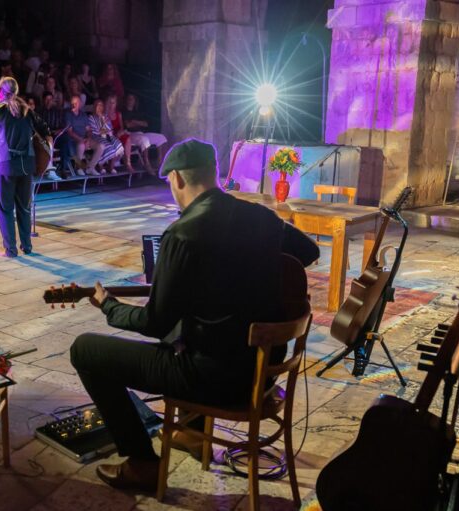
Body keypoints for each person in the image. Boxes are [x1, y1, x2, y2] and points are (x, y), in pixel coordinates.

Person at [69, 138, 320, 492]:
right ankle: (190, 435)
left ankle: (142, 463)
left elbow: (155, 323)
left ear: (177, 180)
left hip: (212, 377)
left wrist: (109, 306)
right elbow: (308, 252)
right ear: (213, 175)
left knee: (86, 350)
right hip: (260, 374)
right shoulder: (260, 217)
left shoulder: (182, 234)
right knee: (195, 332)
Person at [0, 77, 51, 258]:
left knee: (5, 208)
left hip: (5, 165)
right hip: (27, 164)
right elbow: (45, 129)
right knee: (24, 207)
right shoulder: (27, 110)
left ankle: (10, 250)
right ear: (16, 91)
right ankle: (27, 247)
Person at [121, 93, 168, 173]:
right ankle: (147, 163)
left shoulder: (138, 112)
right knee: (144, 139)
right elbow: (128, 125)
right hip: (130, 134)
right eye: (129, 99)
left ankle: (160, 162)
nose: (130, 101)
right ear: (126, 100)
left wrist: (134, 121)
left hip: (141, 133)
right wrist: (139, 123)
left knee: (161, 137)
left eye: (132, 99)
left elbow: (146, 124)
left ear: (135, 101)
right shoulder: (123, 112)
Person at [64, 95, 102, 177]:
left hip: (84, 138)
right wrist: (80, 139)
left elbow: (88, 130)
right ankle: (78, 168)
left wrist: (88, 139)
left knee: (101, 146)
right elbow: (69, 132)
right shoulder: (68, 114)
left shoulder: (83, 115)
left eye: (76, 103)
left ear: (80, 104)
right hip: (73, 140)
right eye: (72, 103)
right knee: (81, 145)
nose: (74, 105)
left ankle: (90, 168)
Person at [88, 99, 124, 174]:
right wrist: (104, 127)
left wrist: (104, 121)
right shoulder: (91, 117)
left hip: (108, 135)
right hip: (97, 137)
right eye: (97, 105)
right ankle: (101, 166)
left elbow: (110, 128)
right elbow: (96, 131)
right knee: (107, 145)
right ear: (95, 107)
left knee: (117, 144)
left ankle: (111, 166)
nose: (99, 107)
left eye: (101, 105)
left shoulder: (105, 116)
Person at [105, 95, 134, 173]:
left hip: (118, 134)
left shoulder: (118, 114)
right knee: (116, 142)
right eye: (110, 103)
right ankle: (111, 165)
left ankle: (128, 163)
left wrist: (121, 132)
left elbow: (121, 127)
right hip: (109, 135)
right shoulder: (105, 115)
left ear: (116, 103)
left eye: (113, 103)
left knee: (127, 138)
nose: (111, 105)